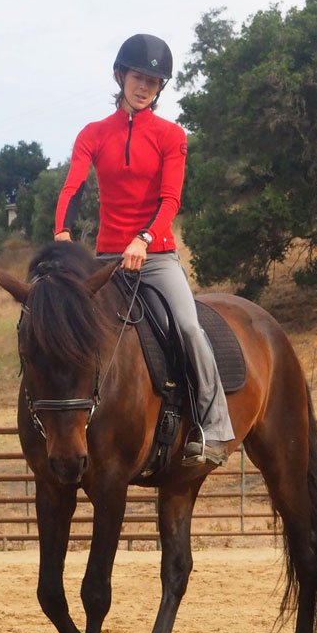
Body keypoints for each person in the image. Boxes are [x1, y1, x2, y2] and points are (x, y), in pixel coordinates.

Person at [53, 33, 234, 467]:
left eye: (154, 82)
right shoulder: (93, 134)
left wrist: (145, 239)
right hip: (106, 260)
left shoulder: (171, 136)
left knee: (189, 328)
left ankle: (215, 428)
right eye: (139, 77)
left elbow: (170, 199)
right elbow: (74, 186)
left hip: (156, 256)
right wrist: (62, 233)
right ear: (121, 76)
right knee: (66, 329)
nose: (145, 87)